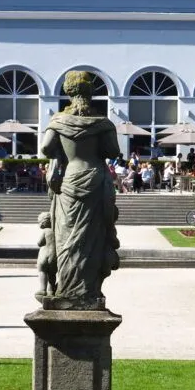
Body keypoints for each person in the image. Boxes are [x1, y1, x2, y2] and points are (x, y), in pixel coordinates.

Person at [40, 70, 121, 308]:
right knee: (91, 238)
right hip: (95, 181)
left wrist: (60, 151)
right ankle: (88, 291)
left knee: (67, 238)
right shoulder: (102, 123)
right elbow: (113, 152)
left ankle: (65, 289)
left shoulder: (58, 121)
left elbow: (45, 147)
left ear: (68, 92)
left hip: (69, 182)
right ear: (91, 93)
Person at [36, 211, 56, 299]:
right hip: (54, 255)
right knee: (52, 274)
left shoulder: (45, 231)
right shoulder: (55, 231)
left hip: (44, 254)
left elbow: (39, 243)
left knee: (42, 271)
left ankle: (43, 289)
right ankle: (51, 291)